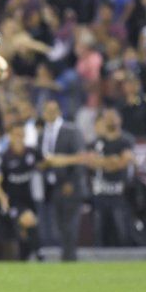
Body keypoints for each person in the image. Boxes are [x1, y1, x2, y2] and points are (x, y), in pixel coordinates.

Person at [38, 100, 86, 261]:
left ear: (59, 112)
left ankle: (69, 257)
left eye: (53, 110)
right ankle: (66, 256)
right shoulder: (42, 134)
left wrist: (71, 182)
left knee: (69, 224)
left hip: (69, 184)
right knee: (59, 224)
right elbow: (41, 158)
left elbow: (80, 157)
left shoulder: (70, 130)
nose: (50, 114)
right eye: (47, 110)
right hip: (52, 185)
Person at [0, 122, 44, 260]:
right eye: (16, 135)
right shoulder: (4, 157)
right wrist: (2, 198)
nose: (19, 138)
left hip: (28, 199)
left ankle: (24, 259)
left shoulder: (31, 152)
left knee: (26, 232)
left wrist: (74, 159)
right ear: (10, 137)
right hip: (12, 201)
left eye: (21, 135)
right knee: (28, 221)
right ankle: (39, 255)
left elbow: (47, 162)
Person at [84, 110, 135, 247]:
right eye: (108, 118)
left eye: (114, 117)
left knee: (122, 231)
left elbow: (124, 162)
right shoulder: (98, 142)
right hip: (100, 194)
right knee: (98, 232)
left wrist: (104, 163)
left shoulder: (126, 141)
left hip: (118, 193)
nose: (111, 120)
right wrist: (111, 161)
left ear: (120, 120)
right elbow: (91, 162)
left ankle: (125, 261)